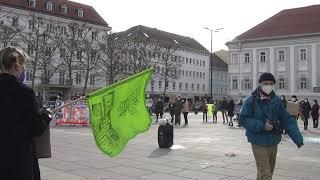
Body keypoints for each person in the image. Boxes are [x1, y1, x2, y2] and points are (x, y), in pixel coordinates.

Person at [0, 46, 52, 180]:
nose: (24, 69)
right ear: (17, 66)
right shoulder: (24, 92)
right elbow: (35, 128)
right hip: (18, 159)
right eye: (23, 65)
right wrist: (46, 116)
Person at [239, 72, 303, 180]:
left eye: (270, 83)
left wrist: (297, 138)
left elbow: (286, 119)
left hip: (273, 140)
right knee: (265, 174)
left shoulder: (277, 100)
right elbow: (243, 119)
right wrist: (262, 126)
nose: (268, 86)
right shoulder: (251, 100)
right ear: (260, 84)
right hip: (258, 140)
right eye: (265, 83)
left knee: (267, 172)